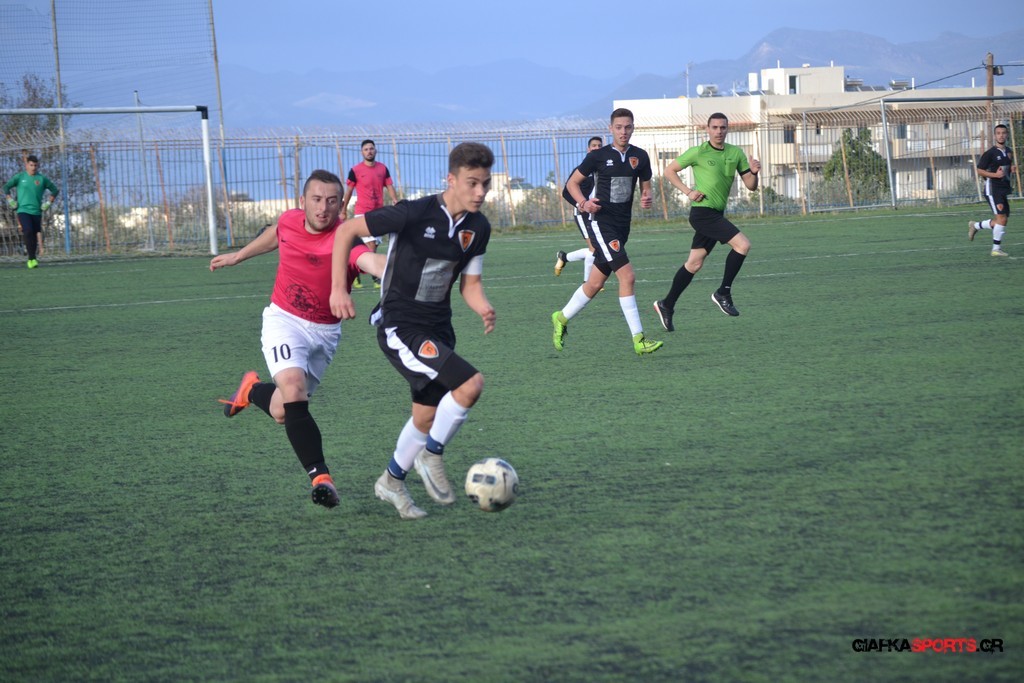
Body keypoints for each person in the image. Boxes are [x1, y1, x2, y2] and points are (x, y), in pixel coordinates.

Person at [329, 142, 496, 520]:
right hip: (400, 325)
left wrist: (482, 306)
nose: (480, 192)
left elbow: (469, 285)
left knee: (425, 416)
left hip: (439, 327)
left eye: (485, 184)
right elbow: (347, 231)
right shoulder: (414, 213)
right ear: (451, 179)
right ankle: (431, 455)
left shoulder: (478, 228)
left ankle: (391, 481)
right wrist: (339, 288)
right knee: (470, 385)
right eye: (472, 183)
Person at [211, 169, 385, 509]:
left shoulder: (346, 239)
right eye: (317, 200)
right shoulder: (290, 220)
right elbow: (276, 233)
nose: (323, 208)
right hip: (284, 320)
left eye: (332, 201)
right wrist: (237, 256)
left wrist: (402, 268)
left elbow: (371, 261)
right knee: (293, 389)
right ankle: (321, 479)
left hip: (325, 333)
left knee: (282, 410)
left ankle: (251, 389)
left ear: (341, 205)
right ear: (302, 201)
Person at [551, 108, 663, 356]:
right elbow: (571, 184)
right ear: (611, 129)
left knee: (594, 283)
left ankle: (561, 318)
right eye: (619, 127)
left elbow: (646, 186)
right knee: (627, 277)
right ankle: (639, 339)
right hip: (602, 223)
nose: (624, 132)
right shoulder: (598, 156)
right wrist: (583, 203)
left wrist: (647, 197)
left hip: (623, 225)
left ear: (633, 128)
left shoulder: (640, 156)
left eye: (628, 127)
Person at [653, 112, 760, 331]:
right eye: (715, 127)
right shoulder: (698, 152)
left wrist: (754, 172)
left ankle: (666, 304)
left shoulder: (735, 153)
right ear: (707, 129)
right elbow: (669, 170)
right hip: (702, 213)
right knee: (743, 245)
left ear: (727, 129)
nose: (719, 131)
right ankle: (723, 292)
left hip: (716, 214)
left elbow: (751, 186)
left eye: (723, 127)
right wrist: (688, 192)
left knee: (694, 264)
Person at [342, 139, 399, 288]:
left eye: (371, 149)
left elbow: (389, 186)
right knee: (371, 245)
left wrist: (395, 200)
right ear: (362, 152)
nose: (369, 151)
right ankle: (375, 276)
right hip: (362, 213)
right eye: (366, 149)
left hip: (378, 213)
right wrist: (343, 210)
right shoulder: (355, 170)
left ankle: (355, 270)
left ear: (375, 150)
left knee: (373, 246)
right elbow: (349, 191)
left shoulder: (383, 169)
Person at [554, 135, 603, 282]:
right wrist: (580, 204)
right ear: (588, 149)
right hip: (583, 214)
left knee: (598, 248)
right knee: (594, 249)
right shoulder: (582, 170)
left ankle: (564, 257)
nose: (597, 148)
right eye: (594, 146)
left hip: (598, 213)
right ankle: (587, 283)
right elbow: (566, 192)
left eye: (599, 146)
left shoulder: (603, 169)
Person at [4, 154, 59, 269]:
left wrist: (48, 203)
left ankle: (33, 258)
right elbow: (6, 187)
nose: (33, 167)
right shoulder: (20, 177)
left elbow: (55, 190)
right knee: (28, 231)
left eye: (35, 165)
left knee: (34, 235)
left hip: (37, 212)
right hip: (23, 210)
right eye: (31, 165)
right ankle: (31, 259)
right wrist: (10, 200)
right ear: (26, 165)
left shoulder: (41, 179)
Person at [968, 123, 1015, 257]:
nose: (1001, 135)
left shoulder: (1009, 151)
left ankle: (976, 226)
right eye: (998, 133)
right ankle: (996, 249)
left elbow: (1005, 168)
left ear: (1007, 135)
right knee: (1002, 218)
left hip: (1003, 189)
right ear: (994, 136)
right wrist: (995, 175)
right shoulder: (990, 153)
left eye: (1003, 133)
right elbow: (979, 170)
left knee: (1002, 220)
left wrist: (1011, 169)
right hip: (992, 189)